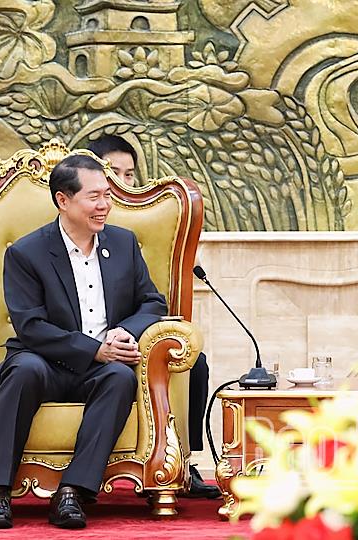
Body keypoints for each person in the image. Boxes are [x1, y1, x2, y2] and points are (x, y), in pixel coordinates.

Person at [0, 155, 167, 529]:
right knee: (23, 370)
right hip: (44, 360)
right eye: (94, 197)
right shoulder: (27, 252)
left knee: (121, 377)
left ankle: (73, 492)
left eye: (107, 195)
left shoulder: (123, 243)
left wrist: (125, 330)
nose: (105, 205)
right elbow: (30, 325)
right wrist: (94, 349)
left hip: (100, 368)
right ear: (63, 200)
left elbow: (152, 302)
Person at [88, 135, 220, 499]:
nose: (123, 183)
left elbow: (151, 301)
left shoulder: (133, 232)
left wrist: (126, 332)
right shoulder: (78, 226)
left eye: (129, 174)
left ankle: (182, 461)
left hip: (134, 341)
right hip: (82, 343)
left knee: (195, 363)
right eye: (113, 173)